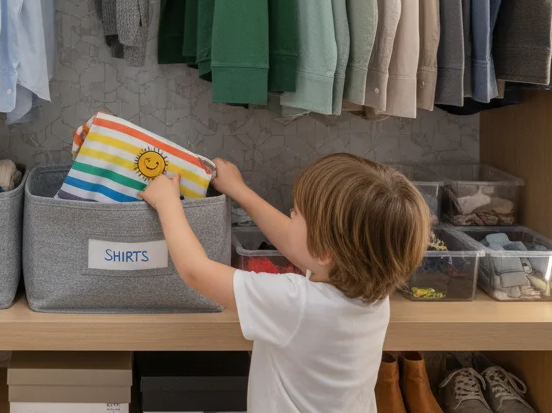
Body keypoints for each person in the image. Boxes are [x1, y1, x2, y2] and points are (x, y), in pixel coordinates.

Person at [141, 152, 429, 413]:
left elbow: (195, 271)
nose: (290, 214)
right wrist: (241, 192)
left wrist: (168, 204)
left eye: (296, 213)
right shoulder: (372, 292)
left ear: (325, 251)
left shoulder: (299, 304)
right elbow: (298, 246)